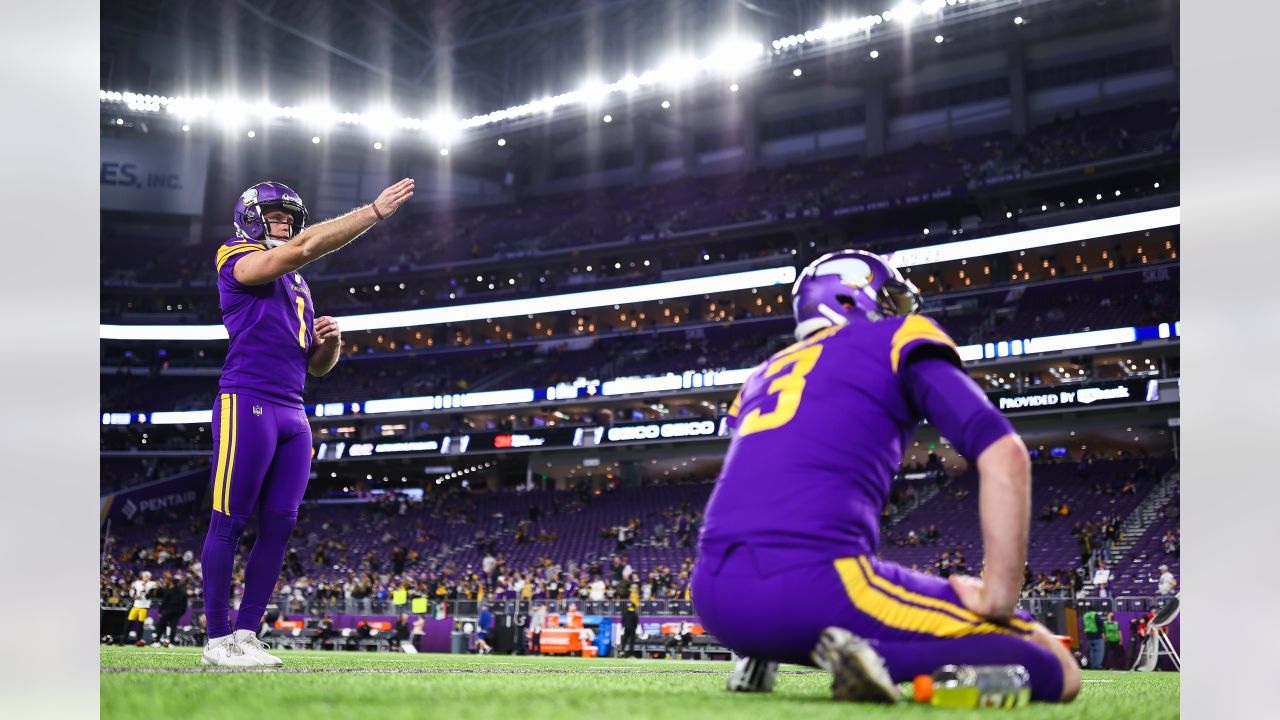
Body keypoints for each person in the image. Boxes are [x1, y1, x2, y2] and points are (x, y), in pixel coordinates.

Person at [693, 250, 1080, 704]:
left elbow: (766, 476)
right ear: (855, 296)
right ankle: (878, 657)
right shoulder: (897, 337)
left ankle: (764, 652)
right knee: (1057, 669)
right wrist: (997, 596)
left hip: (716, 598)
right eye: (890, 300)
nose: (896, 312)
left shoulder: (762, 374)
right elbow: (1005, 453)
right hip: (811, 589)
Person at [198, 178, 416, 668]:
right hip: (246, 398)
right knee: (228, 521)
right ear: (252, 218)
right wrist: (373, 213)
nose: (285, 224)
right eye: (275, 217)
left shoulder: (298, 283)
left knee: (279, 526)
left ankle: (247, 635)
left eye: (288, 218)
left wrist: (331, 343)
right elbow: (303, 247)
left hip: (293, 409)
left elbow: (316, 366)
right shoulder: (234, 255)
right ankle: (216, 640)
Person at [152, 576, 189, 647]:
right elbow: (185, 604)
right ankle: (171, 643)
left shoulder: (170, 591)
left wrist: (160, 610)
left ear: (173, 583)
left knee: (160, 625)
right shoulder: (183, 592)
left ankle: (157, 642)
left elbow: (164, 601)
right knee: (173, 627)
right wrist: (182, 612)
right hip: (177, 612)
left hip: (168, 610)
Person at [126, 571, 157, 645]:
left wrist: (146, 590)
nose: (146, 577)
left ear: (150, 577)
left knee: (140, 624)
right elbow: (132, 591)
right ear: (142, 576)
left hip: (144, 606)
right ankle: (124, 639)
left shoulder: (152, 584)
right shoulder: (137, 582)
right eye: (145, 576)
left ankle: (139, 640)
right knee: (129, 622)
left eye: (147, 576)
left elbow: (152, 595)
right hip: (136, 605)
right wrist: (133, 596)